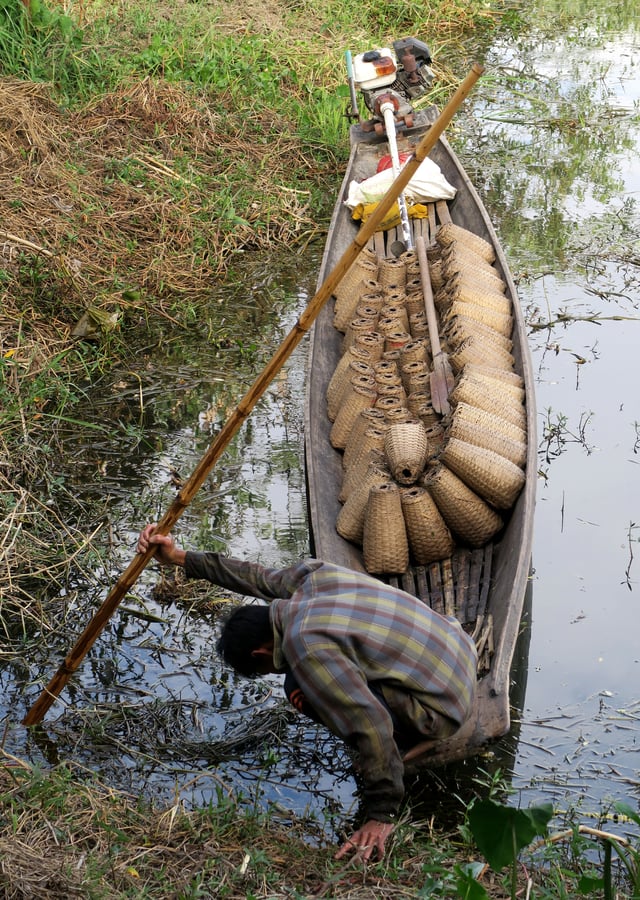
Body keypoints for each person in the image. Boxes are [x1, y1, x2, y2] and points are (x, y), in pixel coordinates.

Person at [137, 524, 477, 861]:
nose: (270, 671)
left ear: (259, 653)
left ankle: (401, 748)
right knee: (318, 680)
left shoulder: (306, 646)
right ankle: (391, 746)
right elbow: (253, 576)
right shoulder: (313, 579)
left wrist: (380, 814)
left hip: (443, 709)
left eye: (261, 670)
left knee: (299, 686)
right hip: (460, 648)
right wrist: (177, 557)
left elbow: (370, 722)